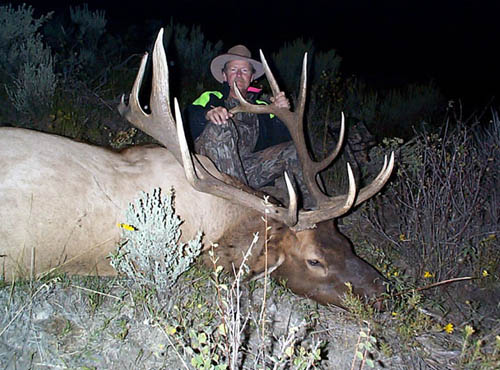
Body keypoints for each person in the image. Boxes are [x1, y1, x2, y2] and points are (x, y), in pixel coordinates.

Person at [185, 45, 312, 206]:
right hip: (211, 172)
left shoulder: (263, 106)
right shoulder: (210, 98)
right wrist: (207, 114)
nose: (238, 74)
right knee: (220, 127)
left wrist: (283, 114)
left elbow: (283, 143)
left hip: (246, 173)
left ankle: (310, 214)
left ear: (252, 77)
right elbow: (185, 120)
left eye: (244, 70)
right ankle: (236, 205)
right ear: (224, 75)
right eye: (233, 70)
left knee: (294, 150)